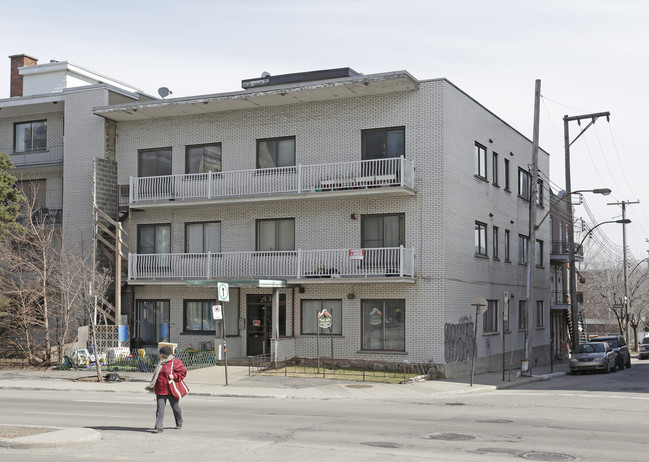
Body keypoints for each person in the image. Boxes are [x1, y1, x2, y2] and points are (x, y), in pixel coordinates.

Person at [145, 346, 186, 433]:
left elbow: (183, 372)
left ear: (163, 355)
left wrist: (174, 376)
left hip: (171, 390)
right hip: (160, 390)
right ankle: (158, 427)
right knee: (160, 409)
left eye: (160, 353)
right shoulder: (160, 363)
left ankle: (179, 422)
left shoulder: (175, 362)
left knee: (175, 407)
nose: (159, 355)